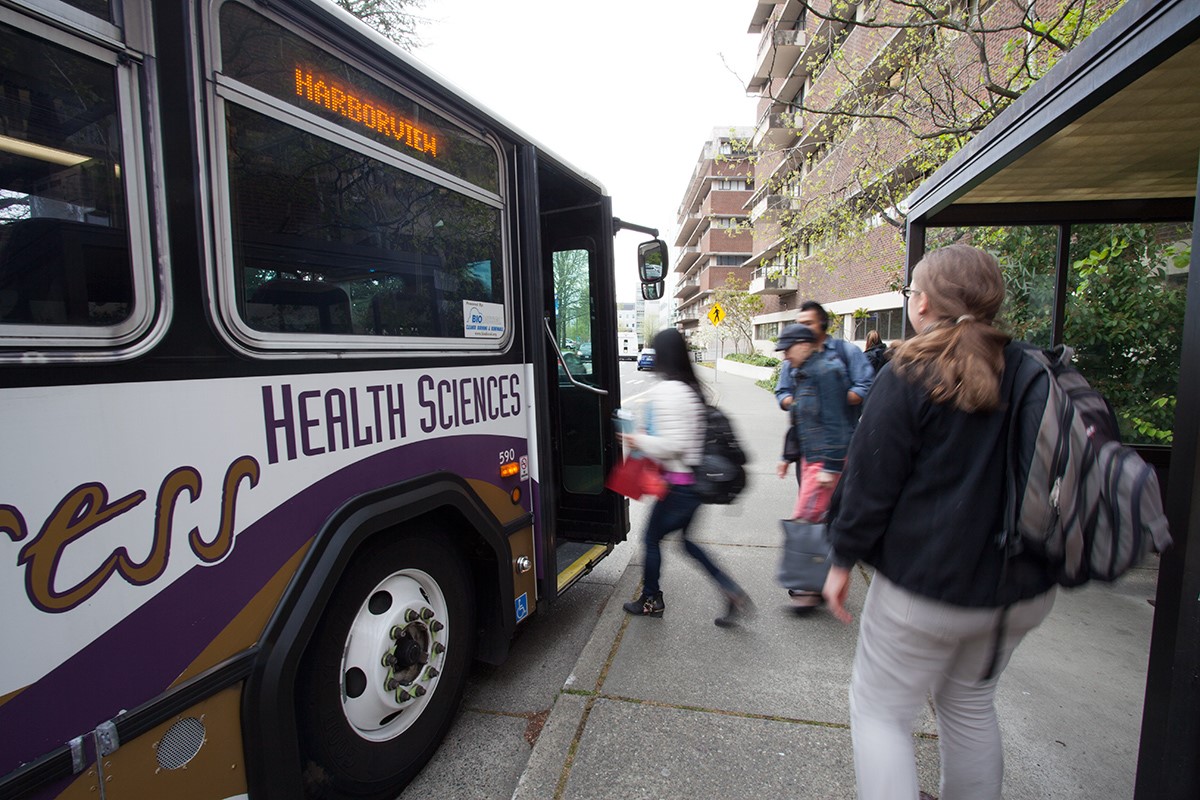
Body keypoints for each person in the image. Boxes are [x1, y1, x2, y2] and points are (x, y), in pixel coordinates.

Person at [822, 244, 1057, 800]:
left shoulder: (909, 371)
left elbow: (869, 486)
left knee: (879, 710)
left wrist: (840, 558)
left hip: (929, 589)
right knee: (971, 703)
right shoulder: (1034, 368)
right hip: (1022, 589)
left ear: (923, 303)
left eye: (909, 293)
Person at [620, 328, 754, 628]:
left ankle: (651, 599)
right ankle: (730, 591)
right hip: (693, 486)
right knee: (686, 542)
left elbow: (673, 446)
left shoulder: (669, 390)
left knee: (651, 539)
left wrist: (636, 441)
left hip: (679, 487)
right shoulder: (691, 388)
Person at [774, 323, 855, 611]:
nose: (785, 356)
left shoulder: (827, 373)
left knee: (806, 521)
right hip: (812, 459)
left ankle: (810, 588)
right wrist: (787, 457)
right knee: (813, 522)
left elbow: (839, 424)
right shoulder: (804, 374)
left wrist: (830, 467)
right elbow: (799, 420)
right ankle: (818, 582)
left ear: (806, 345)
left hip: (825, 461)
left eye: (788, 348)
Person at [774, 300, 874, 417]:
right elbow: (782, 391)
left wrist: (830, 399)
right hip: (803, 432)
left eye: (808, 324)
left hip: (841, 430)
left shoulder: (848, 351)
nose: (802, 329)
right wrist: (798, 403)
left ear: (822, 323)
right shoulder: (793, 357)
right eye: (799, 324)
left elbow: (866, 386)